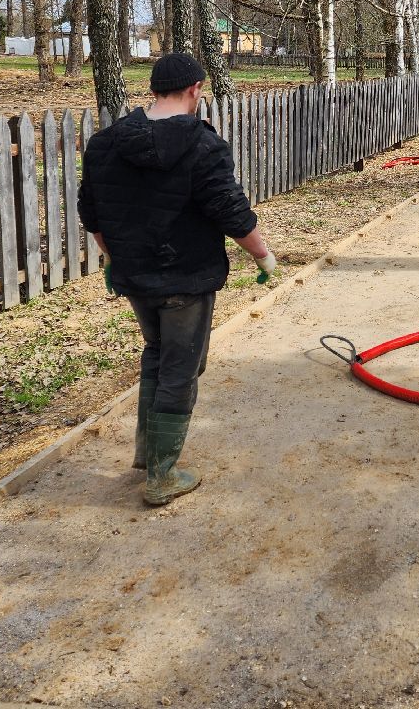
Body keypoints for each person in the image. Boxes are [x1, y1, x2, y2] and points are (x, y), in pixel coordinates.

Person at [77, 53, 278, 506]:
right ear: (194, 90)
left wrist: (112, 257)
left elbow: (92, 211)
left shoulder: (106, 142)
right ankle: (162, 477)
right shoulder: (202, 145)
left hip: (135, 276)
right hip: (186, 277)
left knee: (157, 353)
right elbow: (231, 212)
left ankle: (148, 454)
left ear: (154, 89)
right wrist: (264, 258)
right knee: (182, 368)